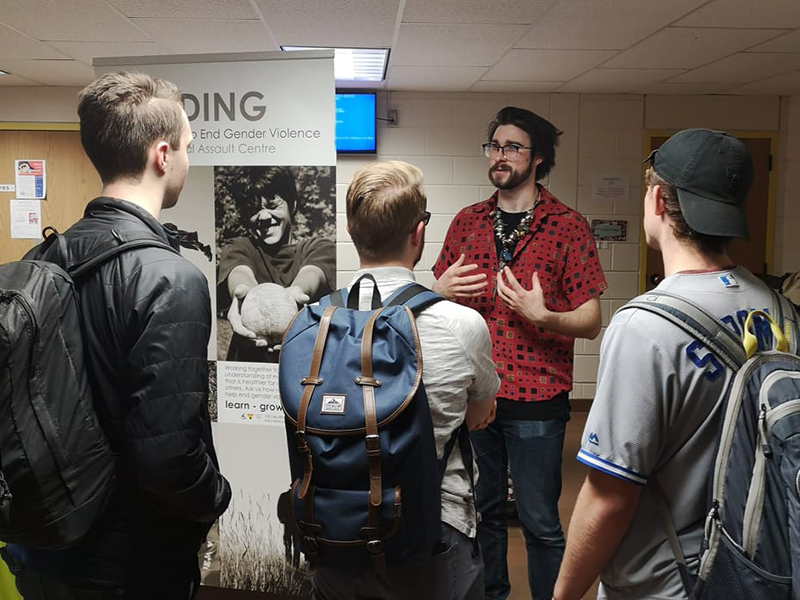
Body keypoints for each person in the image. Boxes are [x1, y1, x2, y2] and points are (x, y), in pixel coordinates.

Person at [0, 71, 231, 599]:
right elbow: (167, 455)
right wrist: (215, 496)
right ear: (163, 155)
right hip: (131, 565)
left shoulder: (40, 259)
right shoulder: (170, 278)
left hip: (46, 549)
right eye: (189, 148)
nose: (188, 162)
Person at [553, 129, 777, 600]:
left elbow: (609, 496)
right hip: (760, 569)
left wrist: (564, 593)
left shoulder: (644, 327)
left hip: (667, 582)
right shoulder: (782, 311)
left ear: (657, 202)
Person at [433, 106, 607, 600]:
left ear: (538, 159)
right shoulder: (467, 222)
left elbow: (591, 322)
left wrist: (544, 315)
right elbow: (436, 297)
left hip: (538, 396)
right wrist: (437, 289)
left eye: (512, 147)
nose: (500, 155)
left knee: (539, 522)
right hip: (475, 395)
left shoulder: (568, 227)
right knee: (480, 513)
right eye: (494, 145)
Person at [312, 160, 500, 600]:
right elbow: (479, 416)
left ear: (351, 228)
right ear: (419, 232)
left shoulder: (312, 323)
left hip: (335, 532)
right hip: (434, 530)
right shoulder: (461, 324)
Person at [216, 166, 335, 362]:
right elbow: (240, 274)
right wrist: (246, 294)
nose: (262, 217)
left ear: (292, 204)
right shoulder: (239, 246)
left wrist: (296, 292)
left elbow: (312, 273)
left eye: (273, 205)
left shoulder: (320, 247)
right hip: (249, 375)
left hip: (304, 375)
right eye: (254, 209)